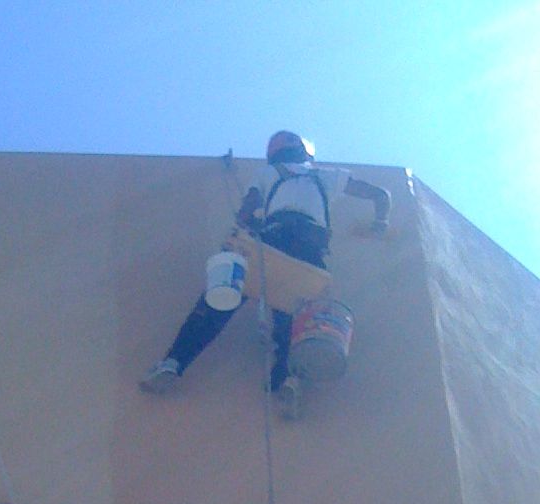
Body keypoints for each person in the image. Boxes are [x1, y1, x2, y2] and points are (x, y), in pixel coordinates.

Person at [141, 131, 391, 414]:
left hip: (273, 242)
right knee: (293, 319)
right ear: (305, 153)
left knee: (218, 302)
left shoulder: (269, 173)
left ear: (274, 154)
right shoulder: (327, 175)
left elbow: (246, 212)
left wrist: (247, 223)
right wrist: (380, 223)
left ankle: (173, 363)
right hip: (310, 255)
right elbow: (380, 195)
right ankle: (289, 382)